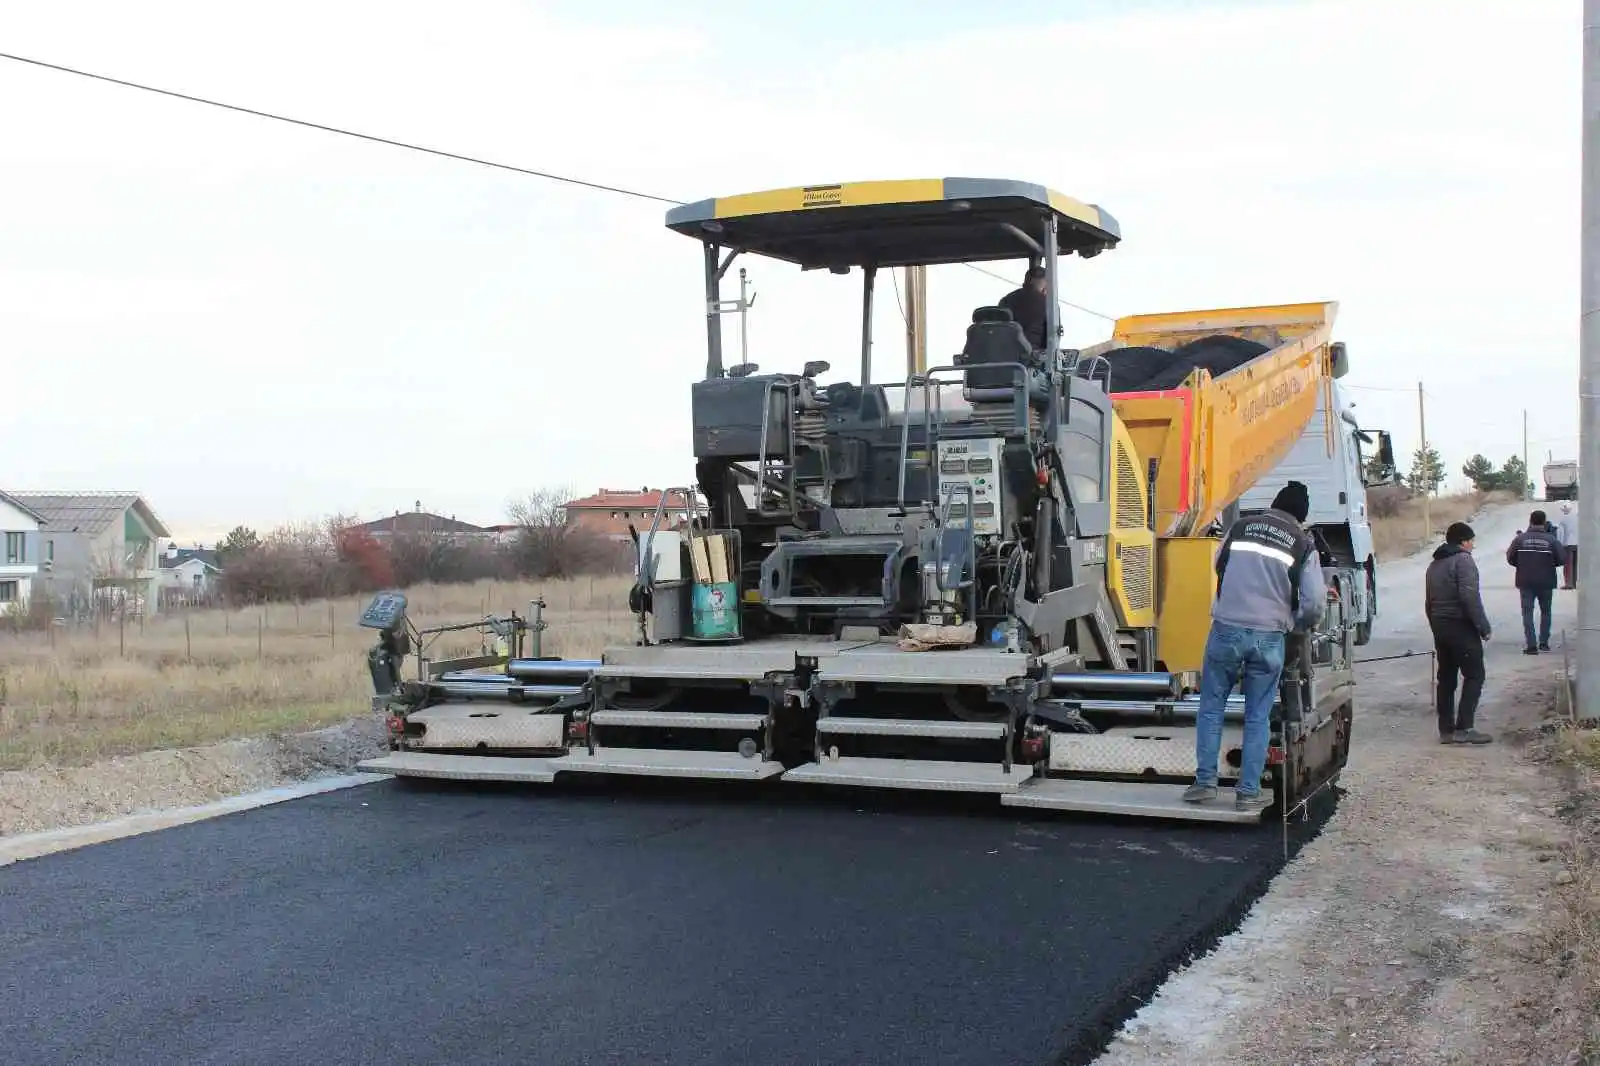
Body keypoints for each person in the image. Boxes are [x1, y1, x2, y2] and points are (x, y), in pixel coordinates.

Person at [1184, 480, 1326, 813]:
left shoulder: (1240, 527)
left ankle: (1205, 784)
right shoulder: (1303, 544)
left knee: (1211, 707)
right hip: (1269, 636)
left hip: (1226, 629)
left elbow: (1218, 564)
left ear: (1274, 505)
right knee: (1257, 714)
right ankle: (1247, 793)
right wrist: (1295, 622)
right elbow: (1314, 602)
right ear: (1301, 516)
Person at [1425, 522, 1493, 745]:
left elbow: (1429, 602)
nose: (1473, 545)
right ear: (1463, 542)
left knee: (1446, 678)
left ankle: (1446, 731)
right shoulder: (1463, 561)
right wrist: (1483, 627)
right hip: (1460, 625)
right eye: (1471, 541)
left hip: (1440, 625)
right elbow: (1469, 597)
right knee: (1475, 674)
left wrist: (1435, 626)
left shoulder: (1435, 564)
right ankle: (1465, 728)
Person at [1506, 510, 1565, 653]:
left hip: (1525, 581)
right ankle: (1544, 643)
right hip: (1546, 581)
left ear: (1530, 521)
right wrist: (1550, 564)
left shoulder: (1520, 539)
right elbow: (1562, 559)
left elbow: (1510, 557)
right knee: (1546, 612)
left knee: (1527, 613)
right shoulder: (1552, 540)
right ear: (1544, 522)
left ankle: (1531, 645)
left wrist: (1521, 565)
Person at [998, 265, 1051, 351]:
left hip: (1004, 355)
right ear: (1044, 283)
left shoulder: (1005, 300)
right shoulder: (1048, 304)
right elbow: (1050, 339)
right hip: (1031, 358)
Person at [1557, 501, 1580, 589]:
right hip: (1577, 544)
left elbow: (1560, 533)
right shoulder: (1577, 517)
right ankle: (1574, 583)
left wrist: (1559, 544)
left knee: (1568, 565)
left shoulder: (1563, 519)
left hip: (1567, 544)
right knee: (1574, 564)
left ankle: (1568, 583)